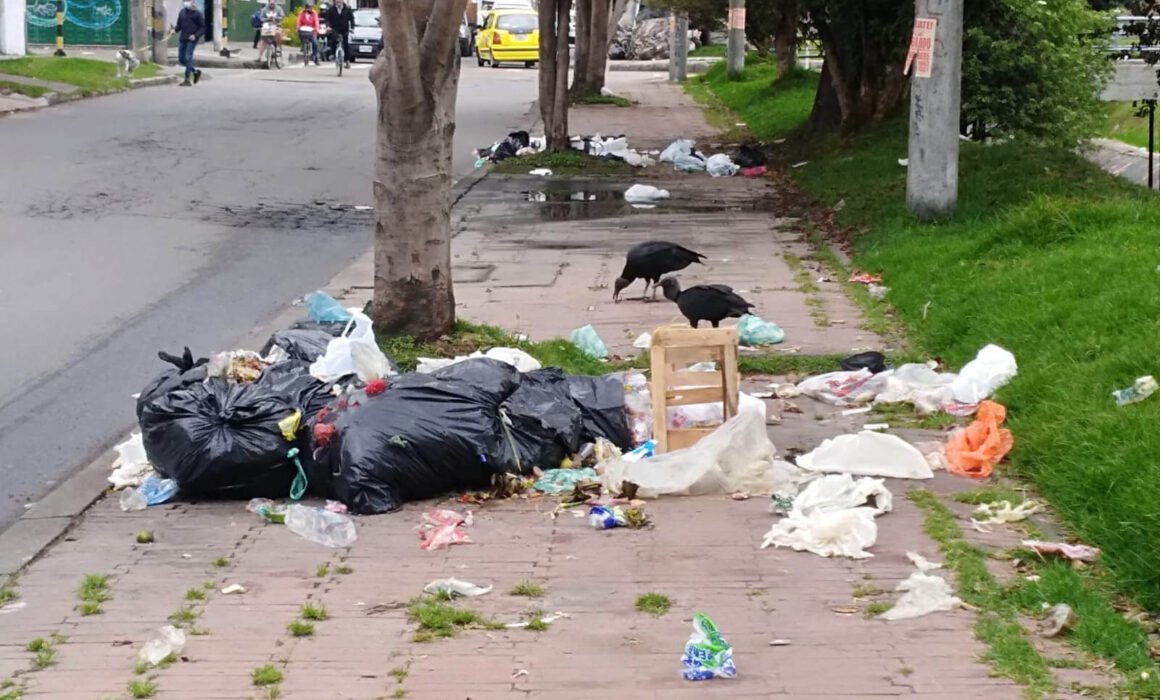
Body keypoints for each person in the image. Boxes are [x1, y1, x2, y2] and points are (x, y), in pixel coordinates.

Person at [175, 0, 204, 87]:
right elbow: (179, 24)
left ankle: (187, 79)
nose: (186, 2)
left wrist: (196, 35)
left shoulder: (197, 14)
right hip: (183, 38)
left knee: (188, 57)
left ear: (193, 2)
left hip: (192, 39)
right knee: (181, 58)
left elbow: (203, 27)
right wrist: (174, 30)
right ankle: (195, 72)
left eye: (188, 1)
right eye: (185, 1)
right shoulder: (182, 12)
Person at [324, 0, 354, 67]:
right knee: (334, 40)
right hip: (335, 29)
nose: (339, 1)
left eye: (340, 0)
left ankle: (347, 60)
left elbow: (352, 19)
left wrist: (352, 27)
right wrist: (328, 26)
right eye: (337, 0)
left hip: (345, 29)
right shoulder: (331, 9)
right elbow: (328, 19)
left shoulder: (348, 9)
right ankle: (332, 54)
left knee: (346, 44)